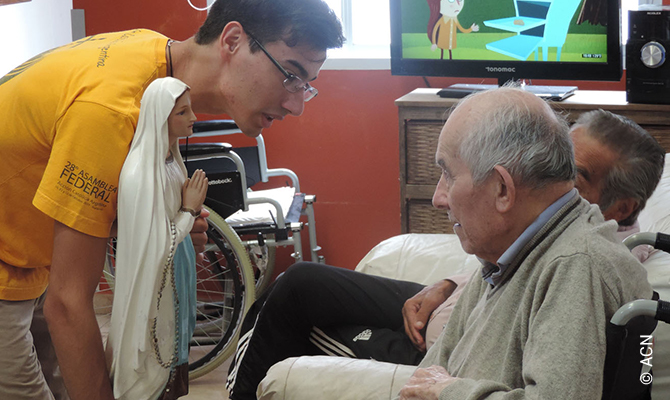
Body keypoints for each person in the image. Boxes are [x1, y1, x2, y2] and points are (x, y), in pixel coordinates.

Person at [0, 0, 344, 399]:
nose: (296, 104)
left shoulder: (154, 61)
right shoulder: (112, 110)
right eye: (290, 75)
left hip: (28, 262)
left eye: (306, 86)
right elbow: (69, 301)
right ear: (232, 40)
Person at [226, 93, 657, 399]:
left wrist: (447, 392)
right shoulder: (512, 252)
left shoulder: (575, 265)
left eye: (449, 174)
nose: (438, 197)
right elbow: (439, 364)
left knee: (296, 297)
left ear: (503, 189)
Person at [107, 77, 207, 400]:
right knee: (155, 358)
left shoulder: (170, 161)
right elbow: (153, 249)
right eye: (183, 112)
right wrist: (188, 212)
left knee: (174, 349)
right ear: (160, 116)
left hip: (176, 274)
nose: (193, 118)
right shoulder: (139, 174)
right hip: (156, 285)